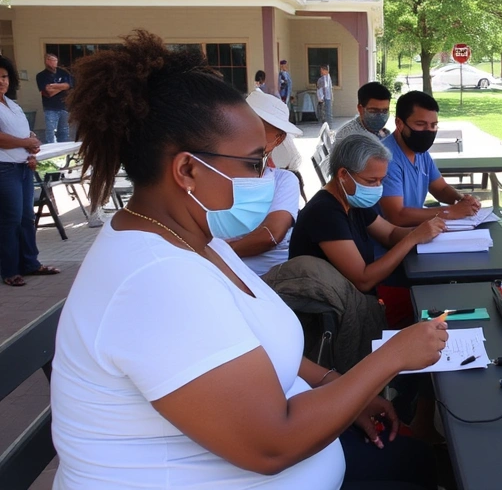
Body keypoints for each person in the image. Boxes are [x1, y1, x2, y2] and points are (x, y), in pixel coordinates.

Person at [51, 31, 446, 489]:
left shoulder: (197, 239)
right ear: (187, 170)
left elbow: (257, 344)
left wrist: (339, 386)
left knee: (419, 462)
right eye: (255, 163)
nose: (268, 174)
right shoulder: (153, 279)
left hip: (305, 450)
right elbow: (270, 446)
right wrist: (391, 358)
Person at [290, 134, 446, 294]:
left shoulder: (353, 200)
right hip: (336, 307)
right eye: (371, 181)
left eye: (381, 180)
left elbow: (390, 234)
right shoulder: (324, 213)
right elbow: (363, 280)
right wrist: (413, 238)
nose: (378, 187)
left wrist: (426, 230)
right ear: (343, 174)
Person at [226, 91, 304, 276]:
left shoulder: (283, 181)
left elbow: (271, 235)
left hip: (270, 281)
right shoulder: (213, 173)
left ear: (278, 139)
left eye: (261, 129)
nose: (247, 134)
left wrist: (218, 254)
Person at [0, 54, 61, 287]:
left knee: (26, 218)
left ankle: (30, 264)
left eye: (4, 76)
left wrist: (32, 145)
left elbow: (24, 134)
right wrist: (26, 143)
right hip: (4, 170)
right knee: (11, 219)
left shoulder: (11, 103)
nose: (1, 81)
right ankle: (9, 270)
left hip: (23, 167)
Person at [379, 90, 481, 226]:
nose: (428, 131)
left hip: (416, 233)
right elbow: (397, 216)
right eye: (420, 124)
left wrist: (462, 200)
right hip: (391, 241)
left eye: (433, 125)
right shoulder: (384, 158)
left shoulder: (420, 152)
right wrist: (450, 211)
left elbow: (440, 189)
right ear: (399, 123)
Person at [36, 53, 74, 143]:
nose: (53, 62)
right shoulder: (41, 75)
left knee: (64, 131)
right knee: (51, 131)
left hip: (64, 106)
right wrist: (62, 87)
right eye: (50, 60)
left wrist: (54, 86)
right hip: (50, 108)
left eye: (55, 60)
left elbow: (69, 85)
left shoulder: (63, 73)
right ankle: (52, 150)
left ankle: (63, 150)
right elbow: (48, 92)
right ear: (46, 61)